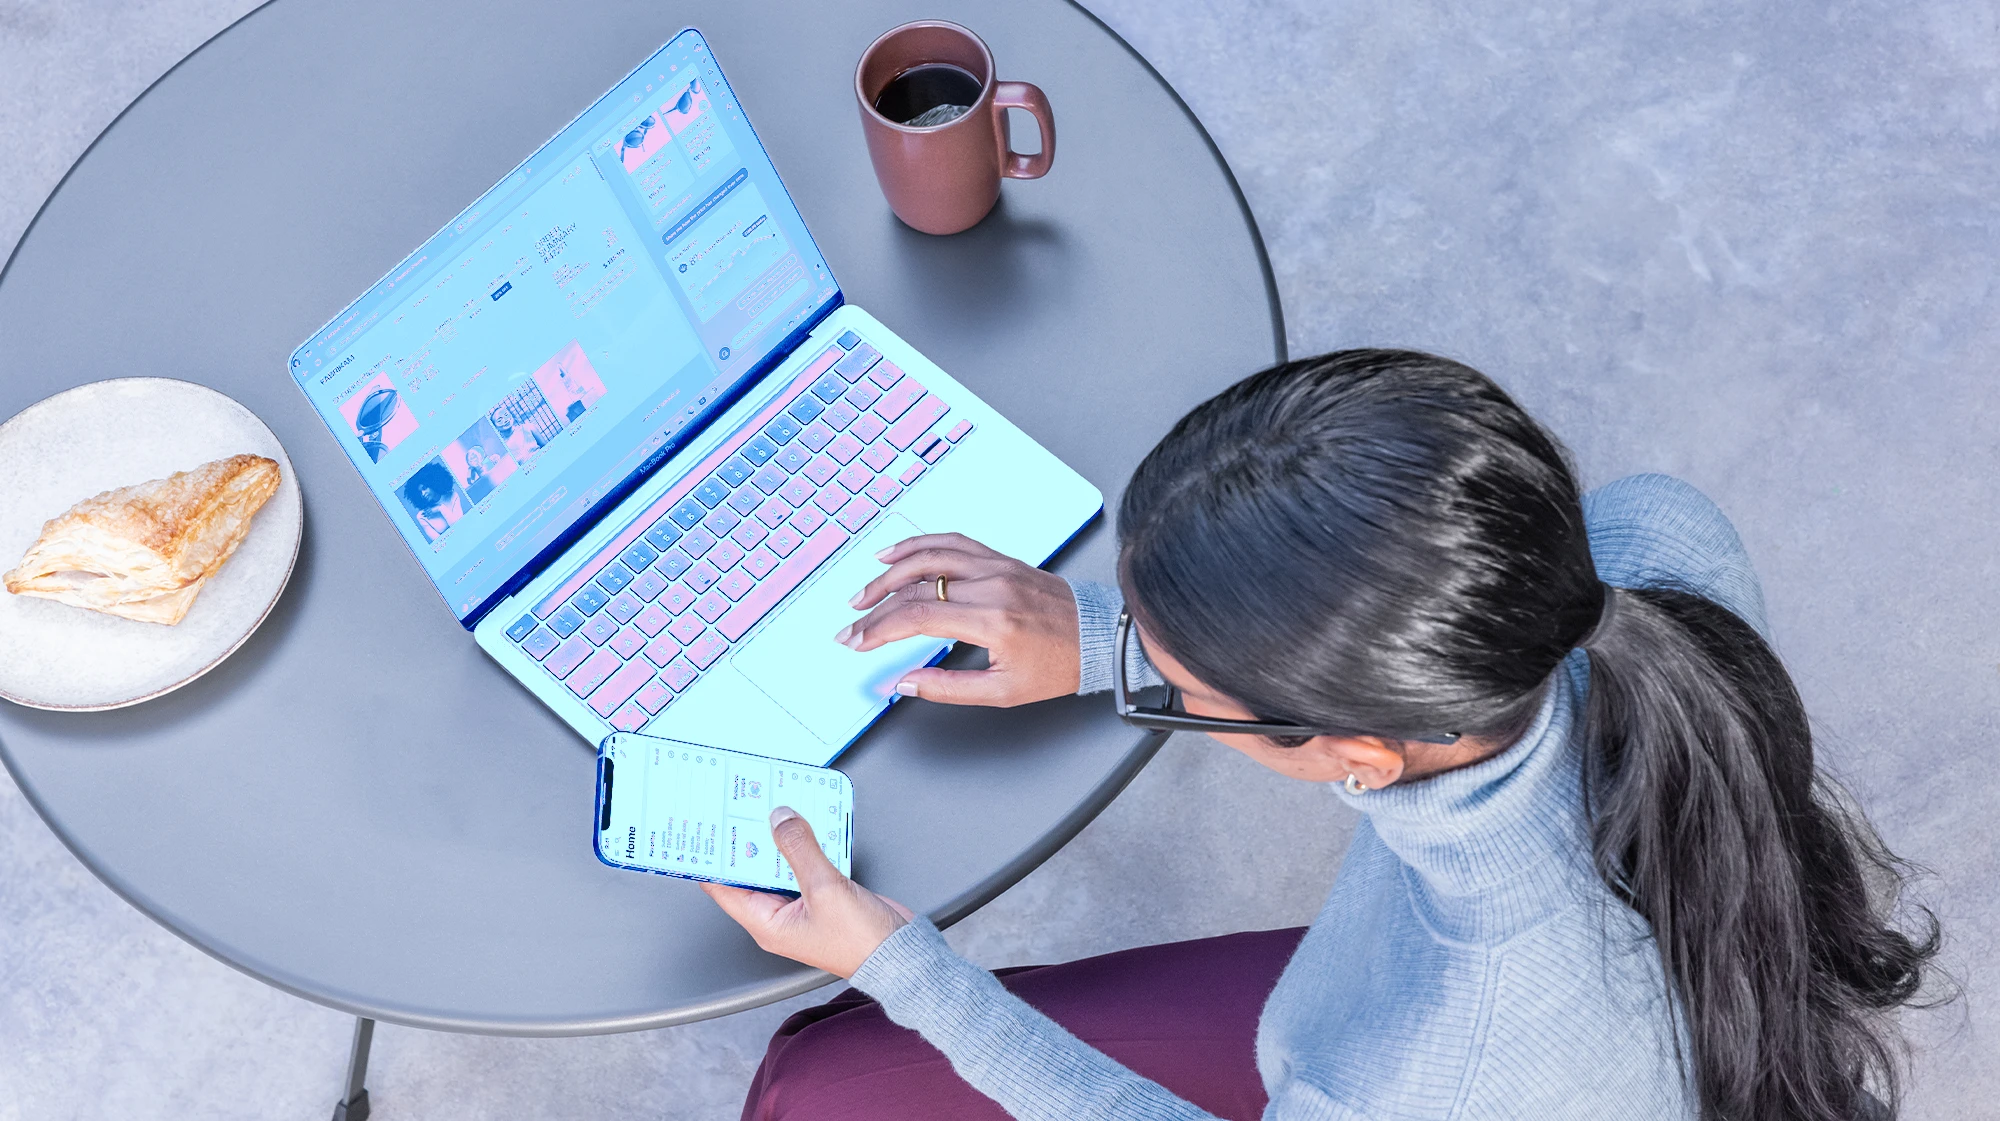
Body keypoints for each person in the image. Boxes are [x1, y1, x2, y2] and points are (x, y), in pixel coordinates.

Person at [703, 351, 1941, 1121]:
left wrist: (914, 968)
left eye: (1175, 668)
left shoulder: (1423, 1069)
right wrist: (1095, 636)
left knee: (817, 1081)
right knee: (833, 1058)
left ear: (1359, 755)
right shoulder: (1642, 551)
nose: (1148, 662)